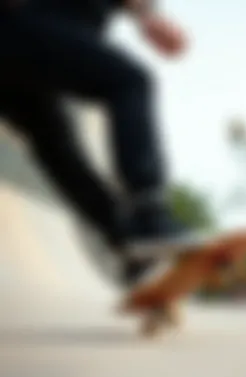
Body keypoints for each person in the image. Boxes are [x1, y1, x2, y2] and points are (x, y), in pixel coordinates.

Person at [0, 0, 197, 286]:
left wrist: (148, 17)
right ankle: (149, 215)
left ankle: (126, 241)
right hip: (22, 25)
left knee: (55, 144)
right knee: (129, 82)